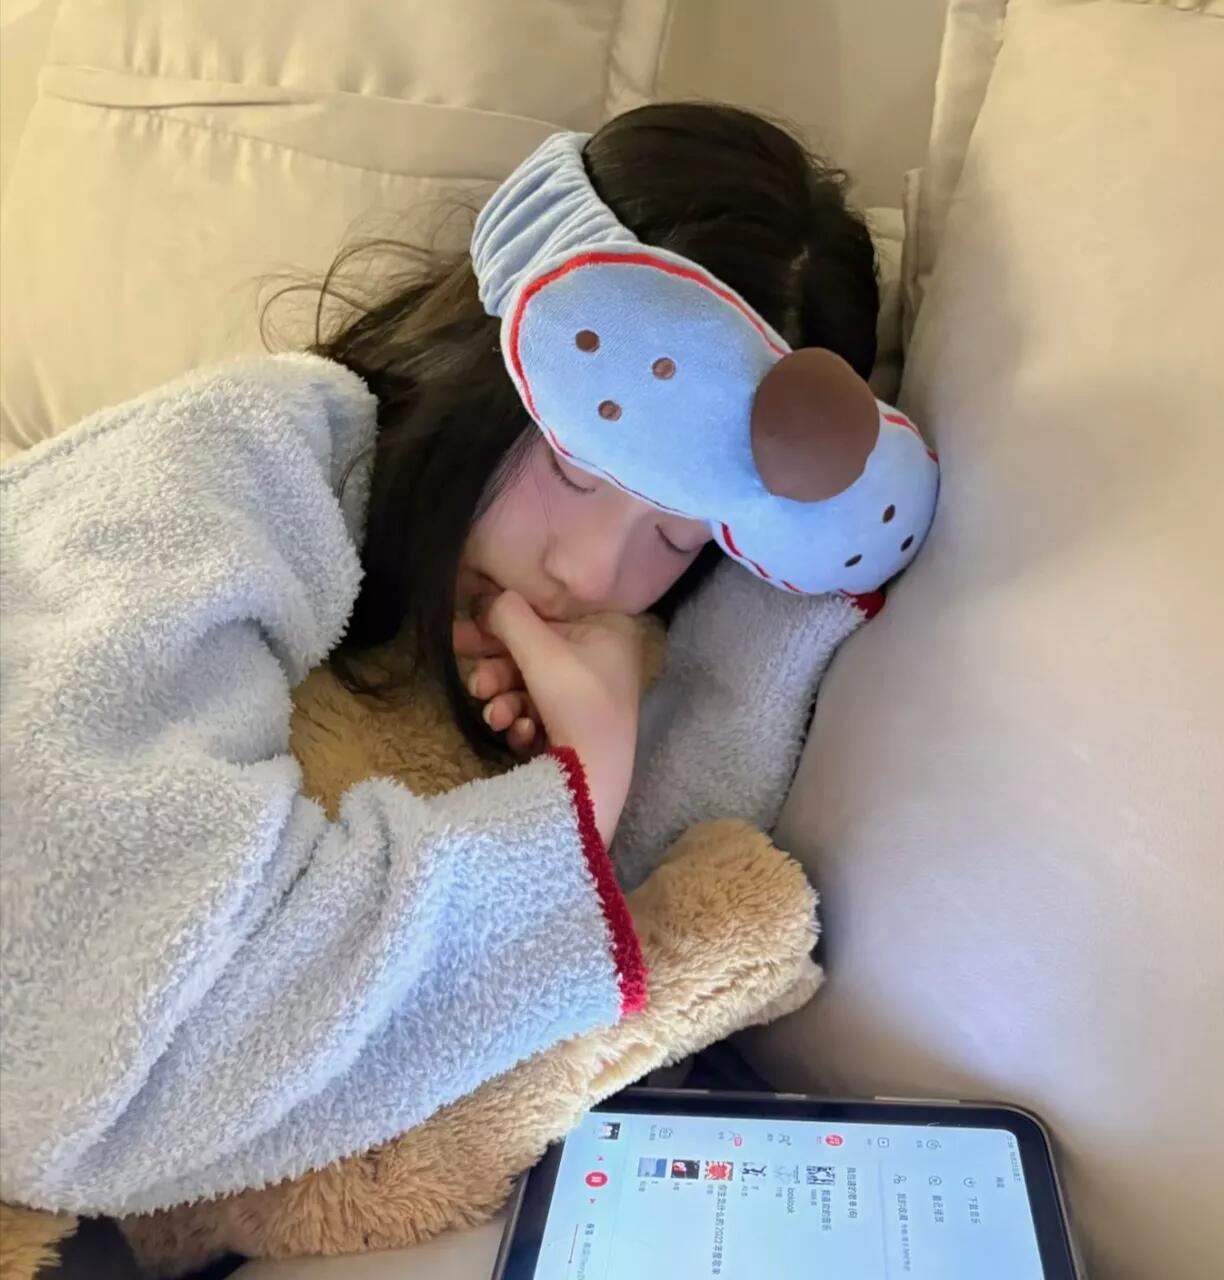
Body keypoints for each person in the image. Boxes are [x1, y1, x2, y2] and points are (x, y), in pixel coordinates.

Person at [0, 102, 880, 1216]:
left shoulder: (594, 654)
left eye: (675, 536)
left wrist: (599, 773)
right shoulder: (238, 458)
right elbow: (62, 1062)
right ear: (494, 362)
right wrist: (571, 802)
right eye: (573, 464)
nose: (588, 571)